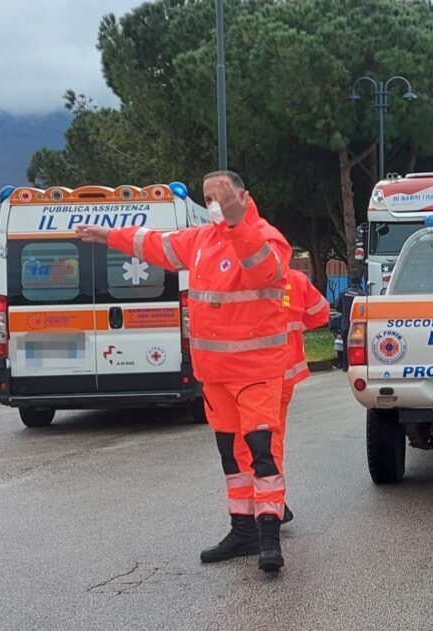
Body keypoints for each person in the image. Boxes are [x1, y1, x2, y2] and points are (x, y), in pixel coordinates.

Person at [76, 171, 292, 573]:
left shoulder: (266, 236)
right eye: (209, 196)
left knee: (262, 454)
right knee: (231, 456)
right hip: (214, 375)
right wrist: (109, 237)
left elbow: (264, 270)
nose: (214, 201)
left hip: (255, 372)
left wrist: (236, 222)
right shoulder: (199, 240)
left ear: (244, 196)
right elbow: (154, 244)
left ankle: (268, 536)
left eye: (223, 194)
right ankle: (242, 529)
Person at [281, 268, 330, 428]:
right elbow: (321, 313)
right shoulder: (296, 279)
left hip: (241, 369)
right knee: (274, 427)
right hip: (285, 365)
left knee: (238, 430)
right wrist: (297, 327)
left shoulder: (236, 277)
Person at [334, 272, 365, 371]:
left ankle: (345, 366)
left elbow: (337, 308)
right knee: (359, 345)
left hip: (345, 325)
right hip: (358, 325)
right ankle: (357, 365)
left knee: (346, 345)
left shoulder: (343, 293)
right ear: (360, 283)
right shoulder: (362, 294)